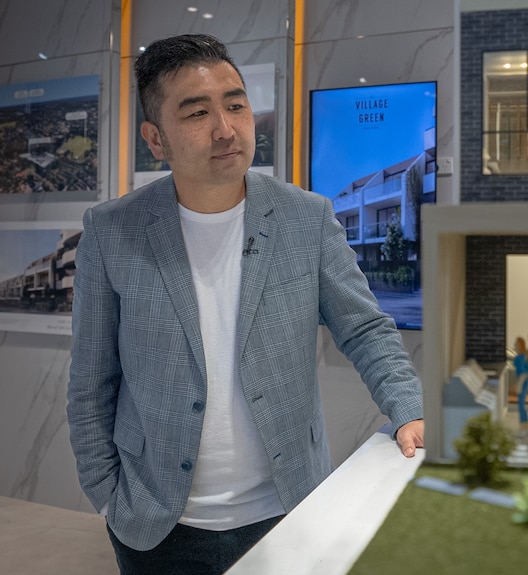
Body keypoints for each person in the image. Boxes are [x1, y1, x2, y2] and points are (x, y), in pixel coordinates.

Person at [66, 34, 424, 574]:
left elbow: (365, 329)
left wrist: (407, 405)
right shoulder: (112, 231)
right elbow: (91, 380)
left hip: (288, 508)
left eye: (236, 104)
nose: (226, 128)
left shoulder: (306, 218)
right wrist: (110, 498)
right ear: (155, 139)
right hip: (158, 526)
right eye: (197, 112)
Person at [513, 336, 528, 433]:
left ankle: (523, 423)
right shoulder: (522, 357)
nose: (515, 346)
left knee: (521, 403)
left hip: (522, 381)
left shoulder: (520, 358)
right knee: (521, 403)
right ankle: (524, 422)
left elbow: (524, 373)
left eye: (516, 344)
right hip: (523, 381)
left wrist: (519, 384)